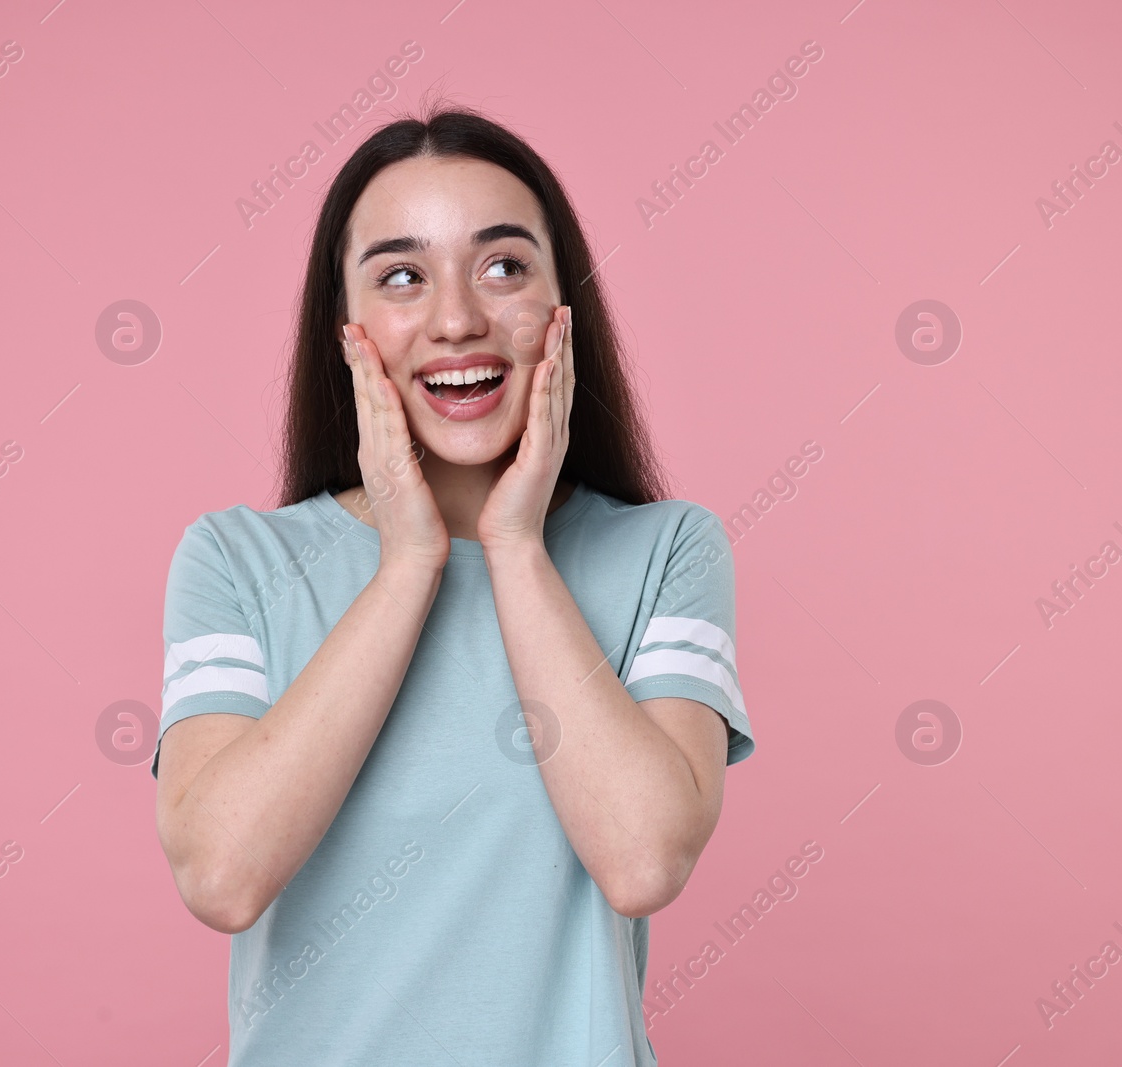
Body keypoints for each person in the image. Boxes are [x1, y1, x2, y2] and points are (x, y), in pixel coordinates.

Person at [151, 102, 754, 1066]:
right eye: (402, 276)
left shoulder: (667, 552)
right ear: (345, 327)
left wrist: (513, 546)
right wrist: (410, 563)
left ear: (566, 306)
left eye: (504, 265)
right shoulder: (236, 563)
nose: (458, 319)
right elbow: (222, 875)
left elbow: (644, 859)